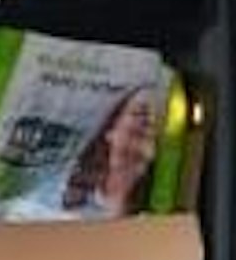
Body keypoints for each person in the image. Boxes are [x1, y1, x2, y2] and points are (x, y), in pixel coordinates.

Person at [61, 83, 163, 217]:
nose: (149, 121)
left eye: (158, 119)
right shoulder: (64, 194)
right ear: (110, 131)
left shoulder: (157, 214)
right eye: (139, 113)